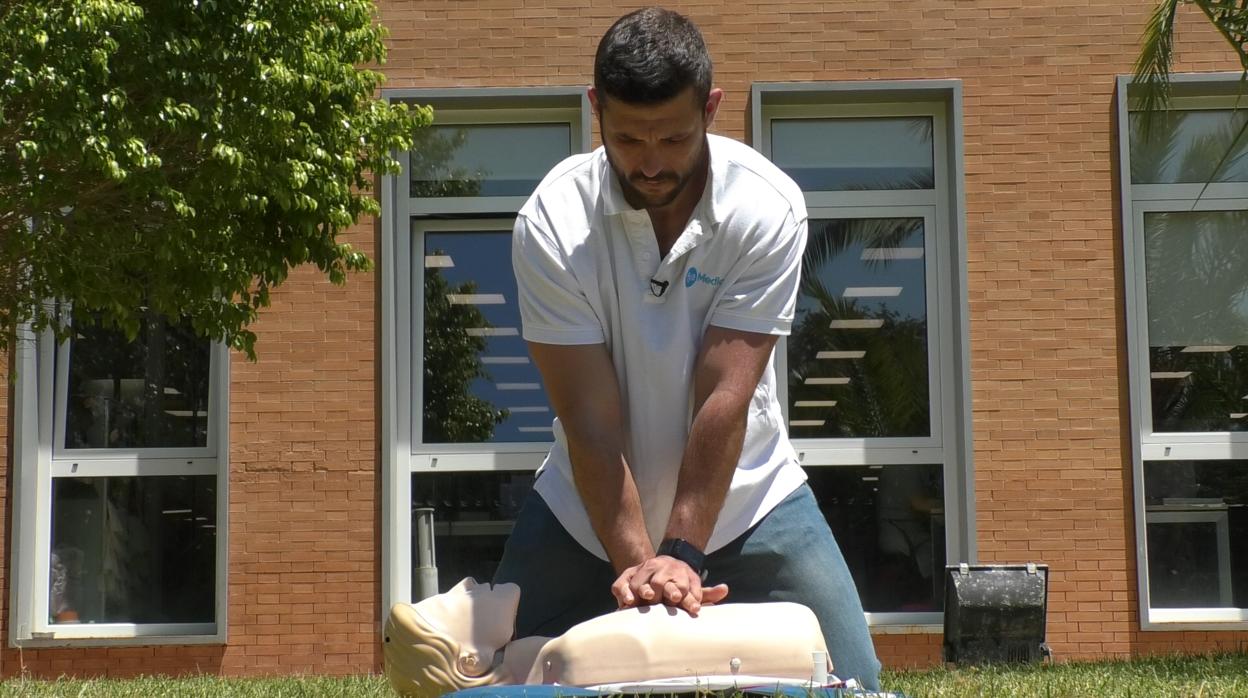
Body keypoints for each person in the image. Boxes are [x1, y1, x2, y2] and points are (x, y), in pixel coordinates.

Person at [497, 6, 881, 690]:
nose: (650, 163)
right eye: (628, 138)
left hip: (750, 499)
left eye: (673, 138)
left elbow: (725, 396)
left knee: (855, 682)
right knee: (496, 677)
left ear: (711, 108)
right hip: (583, 513)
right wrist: (643, 569)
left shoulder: (765, 207)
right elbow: (589, 420)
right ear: (596, 110)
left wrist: (680, 552)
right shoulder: (551, 222)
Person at [383, 577, 831, 698]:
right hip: (795, 633)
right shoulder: (572, 657)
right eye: (446, 602)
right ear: (469, 661)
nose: (463, 583)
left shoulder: (563, 656)